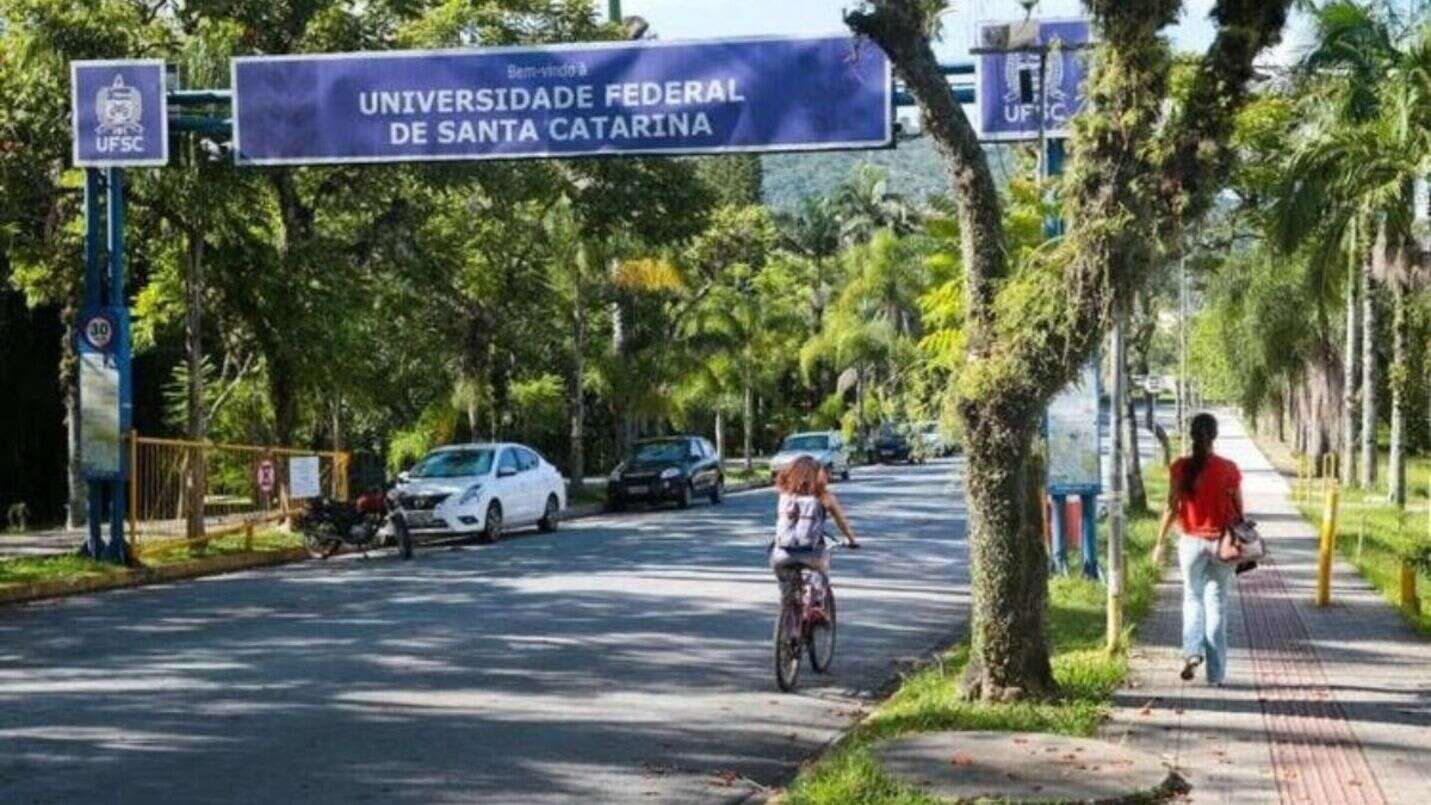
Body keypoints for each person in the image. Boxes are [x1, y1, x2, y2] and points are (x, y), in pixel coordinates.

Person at [1155, 412, 1244, 685]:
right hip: (1221, 544)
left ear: (1191, 434)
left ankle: (1192, 652)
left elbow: (1172, 508)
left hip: (1191, 544)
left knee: (1192, 598)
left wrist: (1159, 543)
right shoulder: (1229, 469)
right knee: (1216, 606)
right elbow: (1240, 512)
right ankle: (1215, 676)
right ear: (1214, 436)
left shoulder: (1180, 468)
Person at [770, 456, 860, 605]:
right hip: (812, 555)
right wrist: (851, 540)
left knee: (786, 587)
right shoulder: (824, 496)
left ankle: (787, 609)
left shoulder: (784, 496)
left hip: (781, 555)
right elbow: (841, 522)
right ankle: (816, 604)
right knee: (819, 572)